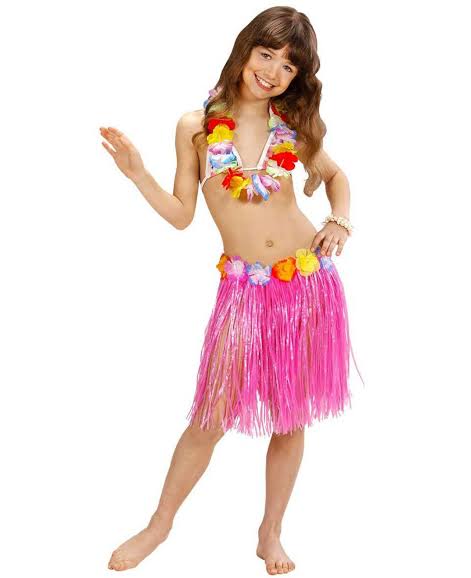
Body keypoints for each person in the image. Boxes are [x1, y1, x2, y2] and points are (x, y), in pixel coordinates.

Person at [100, 6, 364, 575]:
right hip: (244, 293)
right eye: (266, 55)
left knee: (290, 419)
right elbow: (181, 215)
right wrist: (138, 174)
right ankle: (159, 525)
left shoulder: (291, 126)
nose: (273, 72)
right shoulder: (195, 127)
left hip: (306, 286)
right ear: (244, 50)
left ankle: (270, 533)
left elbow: (336, 177)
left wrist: (339, 221)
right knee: (210, 416)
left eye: (288, 66)